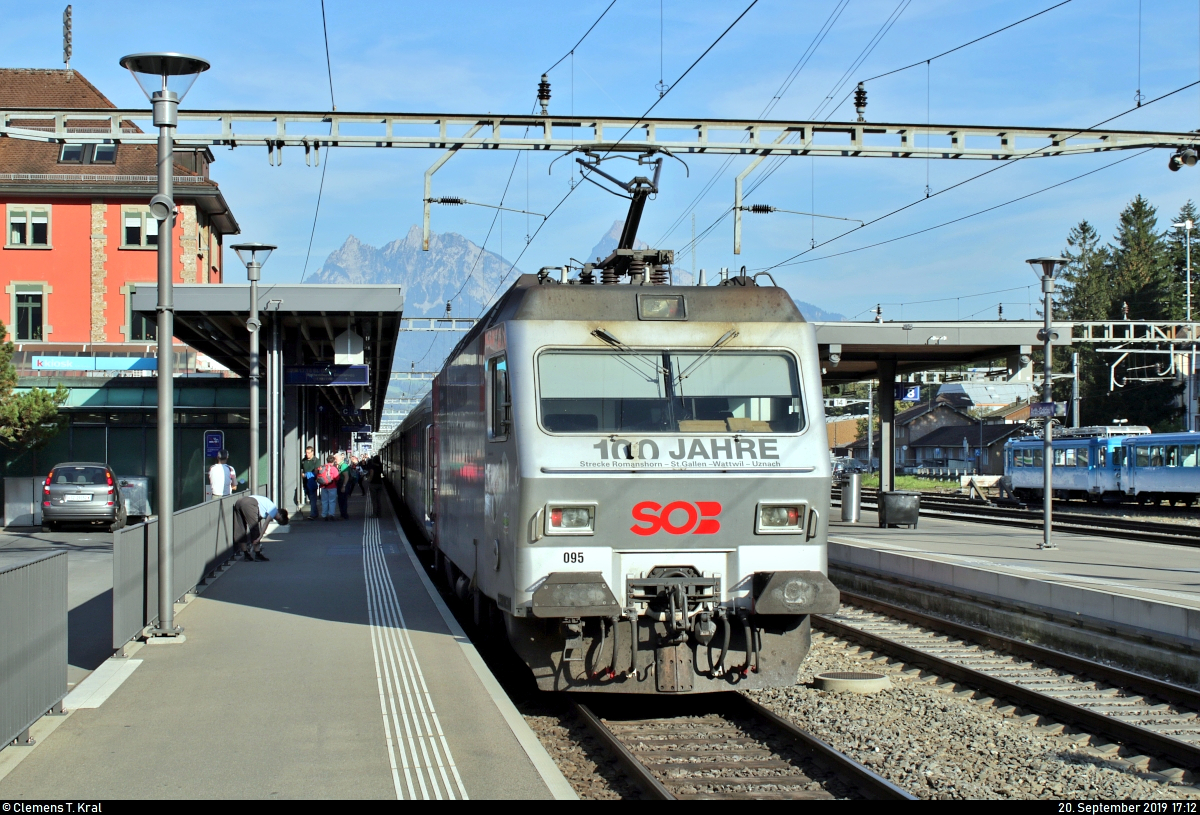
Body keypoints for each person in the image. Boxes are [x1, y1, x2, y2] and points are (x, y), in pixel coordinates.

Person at [232, 493, 289, 562]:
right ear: (280, 514)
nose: (275, 519)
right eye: (278, 519)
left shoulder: (267, 506)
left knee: (240, 528)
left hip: (240, 501)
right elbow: (266, 523)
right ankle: (257, 554)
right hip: (250, 503)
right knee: (255, 528)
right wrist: (260, 537)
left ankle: (246, 554)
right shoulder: (274, 509)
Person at [316, 454, 340, 521]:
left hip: (323, 487)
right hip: (332, 486)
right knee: (332, 501)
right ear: (333, 461)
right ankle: (331, 514)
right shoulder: (334, 468)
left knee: (324, 501)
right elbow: (337, 478)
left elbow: (318, 475)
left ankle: (324, 515)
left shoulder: (322, 467)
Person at [301, 447, 321, 519]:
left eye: (309, 453)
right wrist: (302, 474)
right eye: (306, 452)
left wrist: (306, 474)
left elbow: (316, 472)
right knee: (310, 497)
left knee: (313, 498)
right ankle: (315, 513)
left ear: (312, 452)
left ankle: (313, 514)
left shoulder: (316, 461)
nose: (307, 454)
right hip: (305, 482)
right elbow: (301, 469)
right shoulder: (303, 461)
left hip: (312, 482)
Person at [337, 452, 352, 520]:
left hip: (343, 484)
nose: (334, 460)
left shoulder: (343, 466)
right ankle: (342, 514)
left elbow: (346, 476)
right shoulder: (339, 465)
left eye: (335, 459)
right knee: (341, 500)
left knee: (343, 500)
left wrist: (344, 486)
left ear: (339, 459)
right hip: (341, 484)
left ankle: (344, 514)